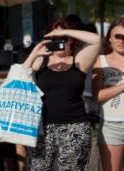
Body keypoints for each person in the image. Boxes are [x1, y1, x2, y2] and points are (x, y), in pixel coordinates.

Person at [22, 18, 101, 171]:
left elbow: (96, 40)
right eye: (54, 38)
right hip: (42, 129)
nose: (59, 42)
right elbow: (21, 74)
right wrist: (35, 52)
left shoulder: (79, 60)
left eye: (63, 39)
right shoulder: (41, 60)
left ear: (71, 39)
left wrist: (64, 31)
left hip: (74, 127)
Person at [92, 17, 124, 171]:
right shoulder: (101, 61)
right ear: (110, 38)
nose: (121, 40)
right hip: (112, 125)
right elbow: (97, 96)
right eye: (118, 36)